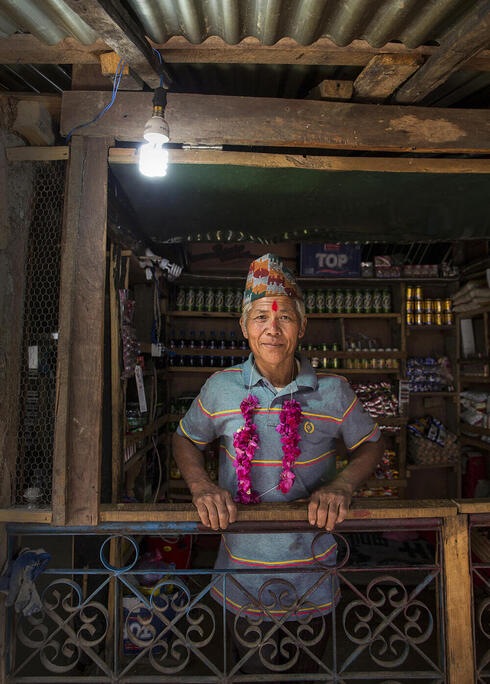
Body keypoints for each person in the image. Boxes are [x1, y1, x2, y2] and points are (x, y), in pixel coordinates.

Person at [173, 253, 384, 673]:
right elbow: (185, 438)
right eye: (260, 318)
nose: (272, 328)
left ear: (302, 327)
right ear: (245, 328)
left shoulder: (334, 392)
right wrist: (201, 485)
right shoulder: (220, 388)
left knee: (308, 672)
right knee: (248, 672)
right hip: (242, 577)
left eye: (285, 317)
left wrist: (343, 486)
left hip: (314, 578)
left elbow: (371, 444)